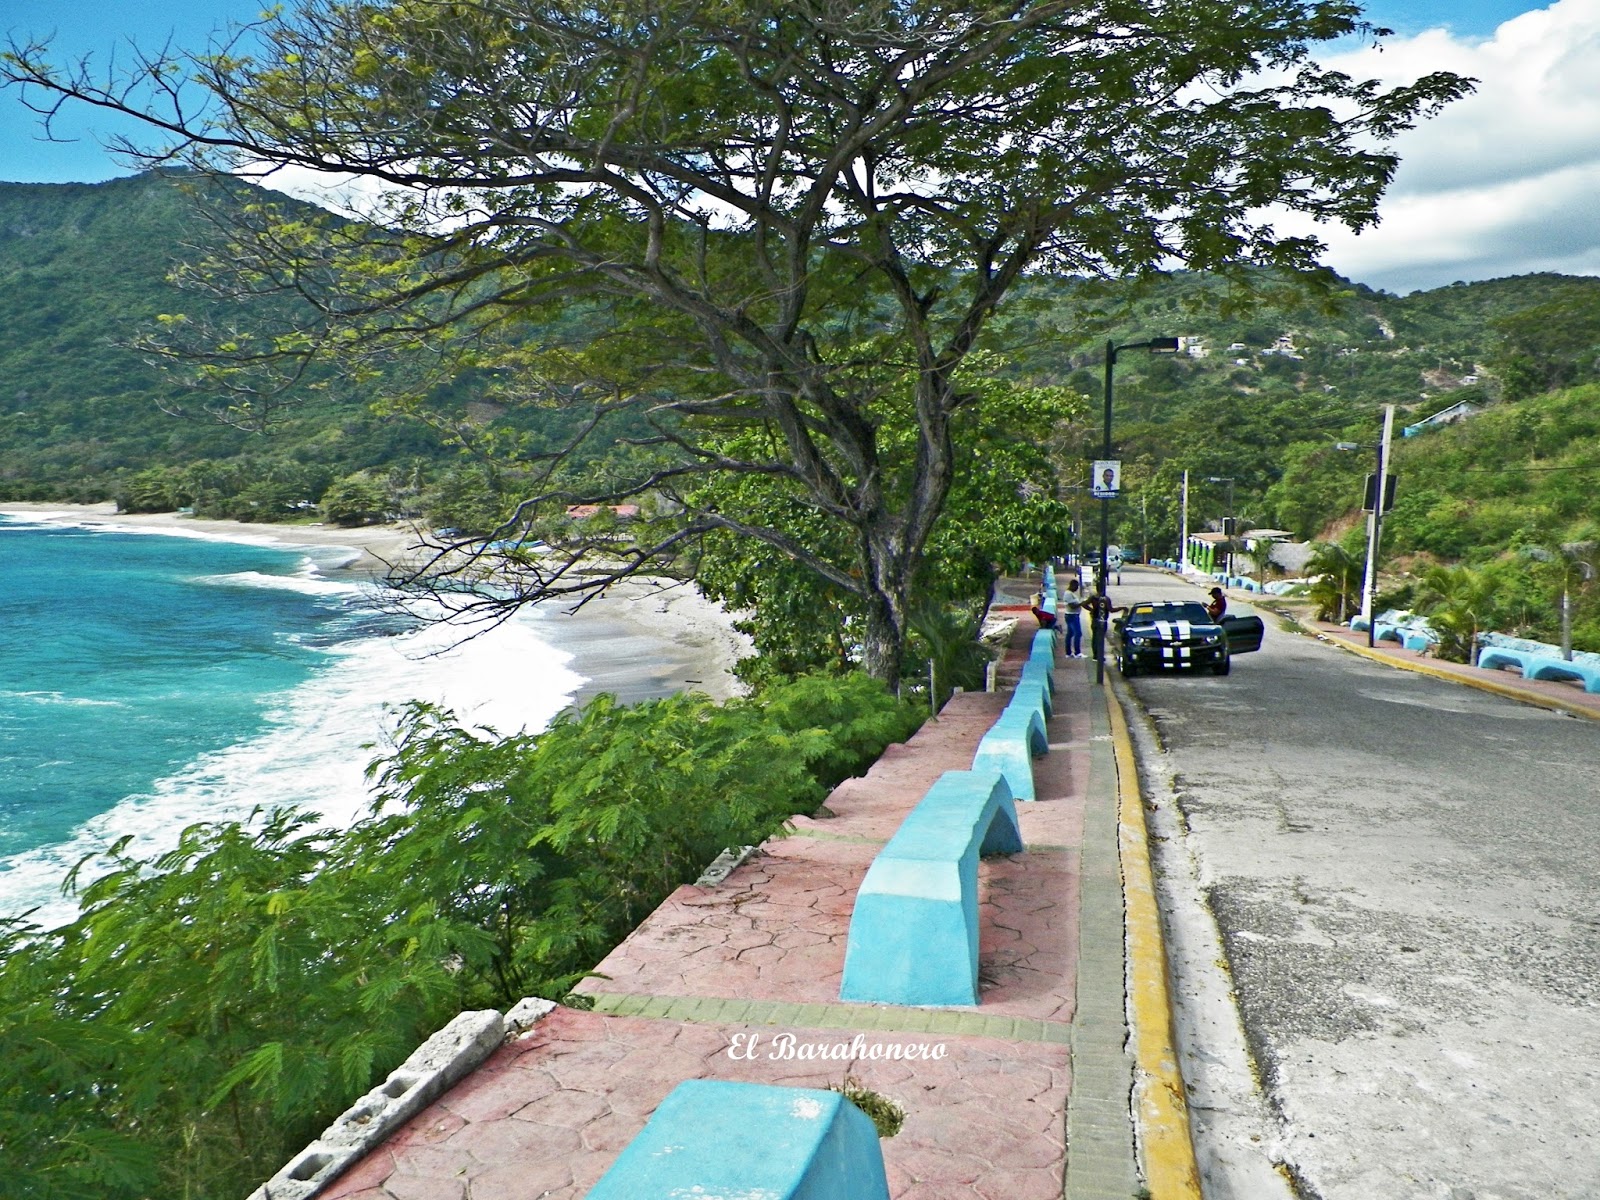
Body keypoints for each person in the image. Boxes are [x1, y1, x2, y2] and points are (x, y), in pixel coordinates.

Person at [1061, 578, 1084, 657]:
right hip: (1072, 615)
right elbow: (1072, 606)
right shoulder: (1068, 594)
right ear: (1072, 585)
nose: (1077, 588)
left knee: (1070, 634)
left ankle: (1069, 652)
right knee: (1078, 633)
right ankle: (1077, 652)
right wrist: (1081, 604)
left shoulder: (1071, 593)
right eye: (1076, 586)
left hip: (1073, 615)